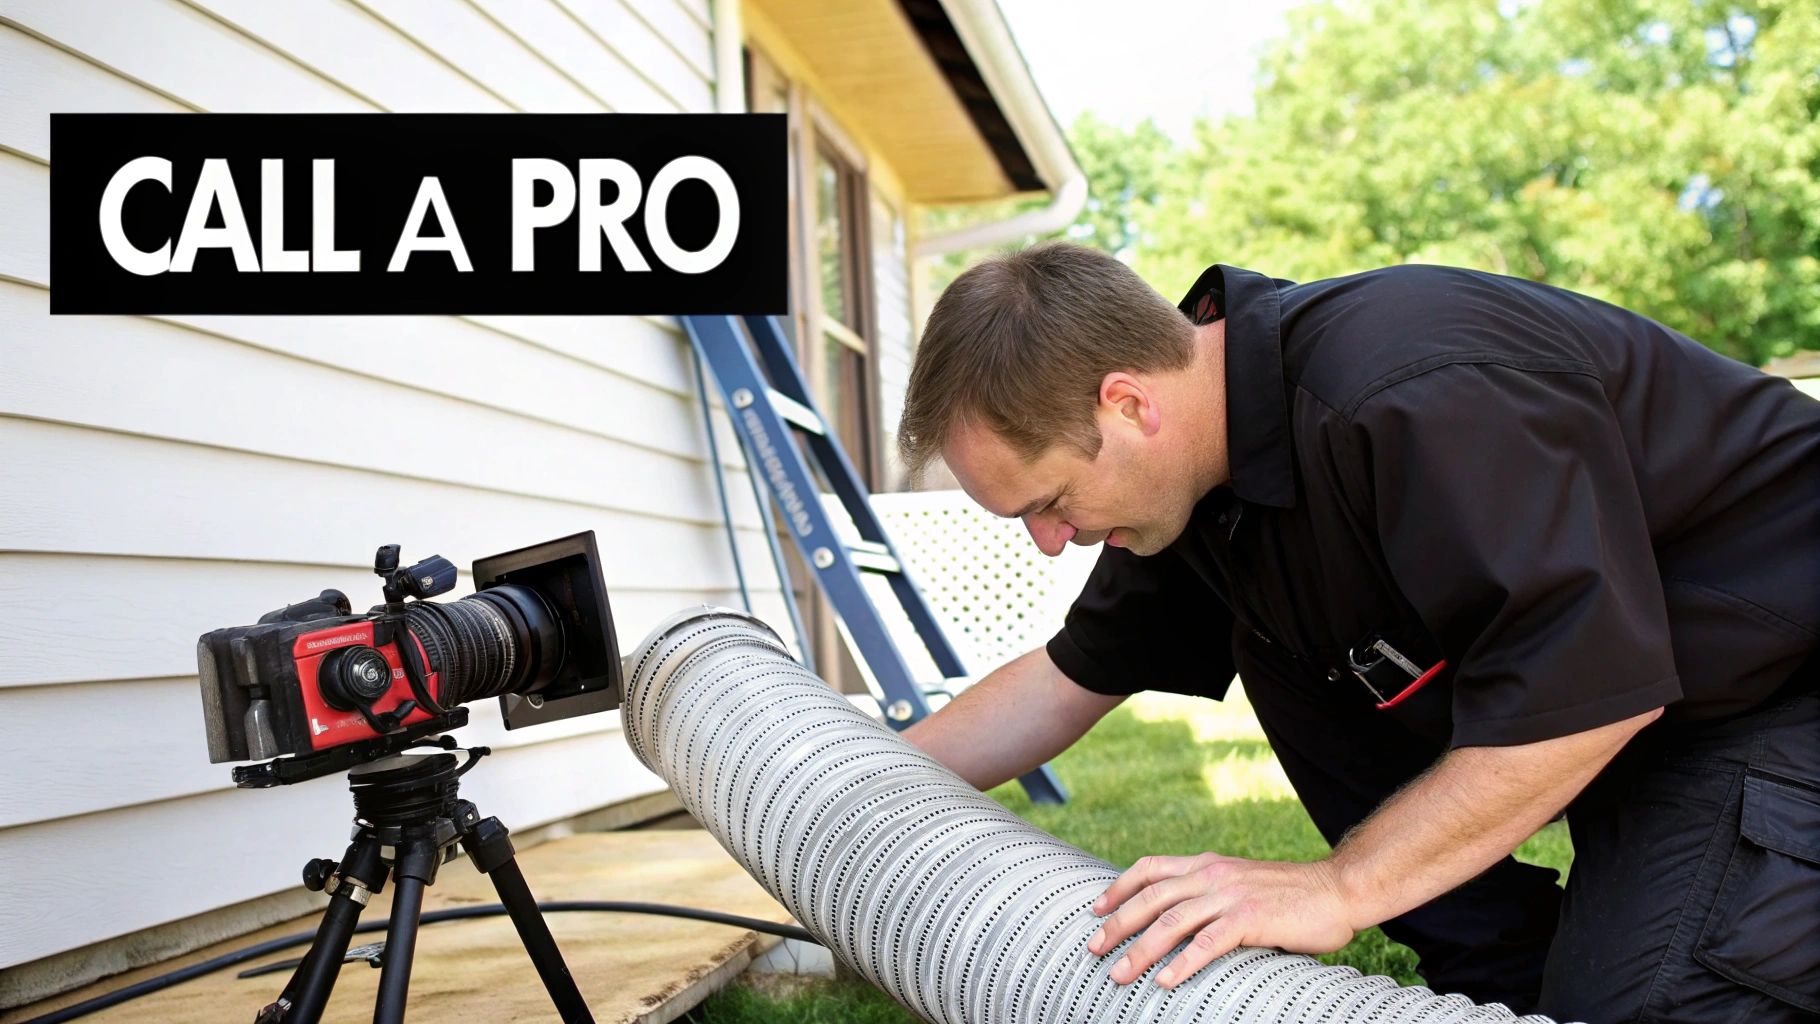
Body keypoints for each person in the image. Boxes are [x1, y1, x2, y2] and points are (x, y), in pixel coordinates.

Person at [894, 242, 1820, 1023]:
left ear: (1128, 404)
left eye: (1050, 503)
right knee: (1277, 639)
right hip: (1669, 718)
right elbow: (1065, 680)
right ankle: (1511, 968)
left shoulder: (1415, 388)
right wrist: (849, 788)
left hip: (1781, 687)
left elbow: (1585, 696)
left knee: (1652, 1003)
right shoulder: (1198, 489)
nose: (1051, 543)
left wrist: (1341, 888)